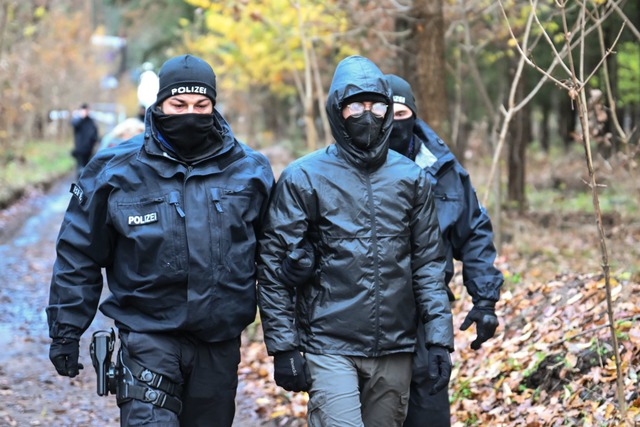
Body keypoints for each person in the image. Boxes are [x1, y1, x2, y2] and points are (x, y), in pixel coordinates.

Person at [46, 54, 274, 427]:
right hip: (147, 336)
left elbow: (273, 259)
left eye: (202, 106)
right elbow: (79, 253)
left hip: (218, 343)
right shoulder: (114, 170)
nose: (190, 114)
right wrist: (66, 330)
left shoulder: (250, 170)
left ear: (214, 106)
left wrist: (286, 341)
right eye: (179, 105)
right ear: (160, 105)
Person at [257, 55, 454, 427]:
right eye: (355, 106)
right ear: (337, 110)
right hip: (329, 343)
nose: (368, 115)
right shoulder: (304, 178)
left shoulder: (412, 179)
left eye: (377, 105)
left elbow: (429, 263)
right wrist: (283, 347)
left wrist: (440, 339)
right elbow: (273, 267)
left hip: (396, 346)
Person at [385, 74, 503, 427]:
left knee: (428, 414)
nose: (393, 123)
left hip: (429, 320)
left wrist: (484, 301)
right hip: (364, 319)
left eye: (401, 113)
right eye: (384, 114)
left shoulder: (444, 170)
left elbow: (475, 232)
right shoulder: (345, 169)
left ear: (415, 116)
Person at [70, 102, 99, 177]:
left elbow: (94, 132)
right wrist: (81, 117)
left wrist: (95, 141)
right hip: (80, 149)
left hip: (89, 149)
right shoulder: (78, 120)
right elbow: (73, 124)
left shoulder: (91, 121)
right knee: (79, 169)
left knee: (87, 169)